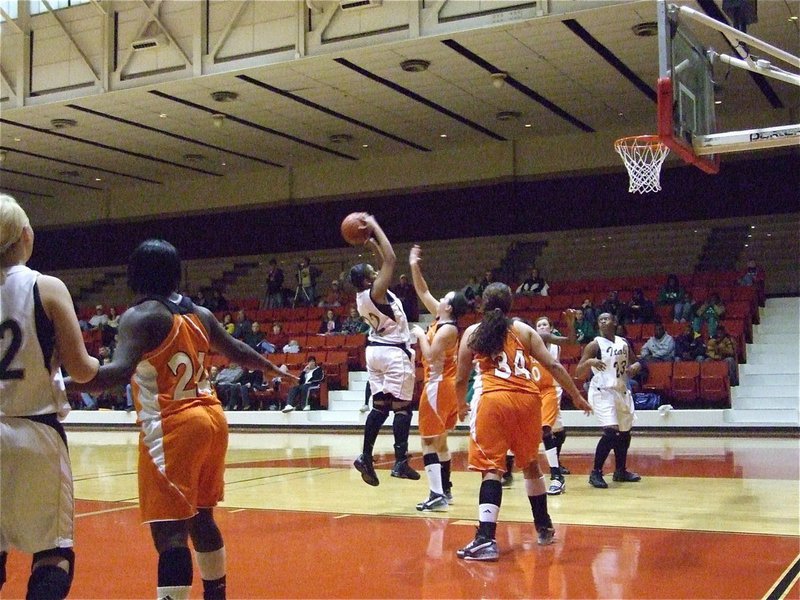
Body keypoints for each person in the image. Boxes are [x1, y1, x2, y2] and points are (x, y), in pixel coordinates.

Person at [64, 239, 295, 600]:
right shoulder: (199, 314)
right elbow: (238, 352)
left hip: (174, 426)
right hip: (213, 419)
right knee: (202, 518)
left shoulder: (141, 317)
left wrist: (57, 385)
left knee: (170, 531)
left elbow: (117, 372)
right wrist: (270, 366)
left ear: (135, 274)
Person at [0, 195, 100, 599]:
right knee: (52, 555)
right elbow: (81, 370)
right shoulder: (46, 286)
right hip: (34, 430)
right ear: (26, 236)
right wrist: (103, 365)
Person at [453, 283, 591, 561]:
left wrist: (460, 405)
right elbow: (553, 366)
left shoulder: (472, 333)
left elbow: (459, 378)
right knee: (530, 464)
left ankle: (486, 539)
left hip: (493, 400)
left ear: (482, 305)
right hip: (529, 400)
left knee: (491, 467)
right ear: (509, 306)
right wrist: (576, 395)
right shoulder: (525, 331)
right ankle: (544, 526)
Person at [349, 213, 420, 486]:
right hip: (392, 352)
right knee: (402, 409)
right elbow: (390, 260)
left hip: (375, 352)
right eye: (372, 273)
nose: (377, 272)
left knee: (379, 408)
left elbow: (381, 262)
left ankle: (366, 456)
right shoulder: (377, 292)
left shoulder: (363, 296)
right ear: (369, 281)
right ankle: (400, 462)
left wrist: (369, 243)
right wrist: (375, 224)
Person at [408, 244, 470, 511]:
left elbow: (432, 356)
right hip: (441, 387)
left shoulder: (448, 330)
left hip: (437, 386)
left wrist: (420, 334)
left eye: (445, 297)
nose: (440, 298)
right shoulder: (442, 318)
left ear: (449, 306)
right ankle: (446, 490)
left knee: (427, 441)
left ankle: (436, 494)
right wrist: (413, 264)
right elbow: (422, 290)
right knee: (441, 441)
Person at [576, 312, 643, 489]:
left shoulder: (623, 342)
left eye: (606, 319)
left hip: (621, 390)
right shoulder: (594, 344)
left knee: (625, 432)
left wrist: (635, 367)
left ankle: (620, 471)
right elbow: (578, 372)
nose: (603, 321)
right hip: (602, 391)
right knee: (611, 431)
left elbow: (636, 363)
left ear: (614, 322)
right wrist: (590, 361)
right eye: (600, 320)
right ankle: (596, 472)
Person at [529, 313, 590, 496]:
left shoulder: (548, 338)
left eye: (544, 324)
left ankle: (556, 476)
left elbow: (570, 341)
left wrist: (571, 325)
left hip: (551, 389)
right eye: (538, 325)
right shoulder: (529, 340)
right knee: (558, 432)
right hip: (535, 390)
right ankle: (509, 470)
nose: (541, 328)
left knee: (545, 430)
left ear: (550, 327)